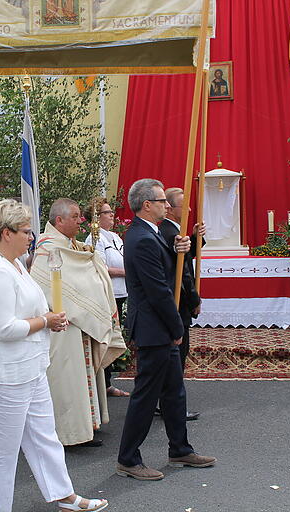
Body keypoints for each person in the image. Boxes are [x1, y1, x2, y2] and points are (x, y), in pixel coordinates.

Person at [0, 199, 108, 512]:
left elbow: (27, 307)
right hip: (6, 370)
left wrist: (47, 316)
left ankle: (64, 495)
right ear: (6, 233)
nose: (31, 236)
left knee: (44, 435)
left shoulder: (16, 263)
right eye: (25, 231)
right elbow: (5, 328)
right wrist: (46, 321)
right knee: (0, 447)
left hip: (29, 366)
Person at [116, 179, 216, 481]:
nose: (167, 205)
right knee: (146, 396)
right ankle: (128, 459)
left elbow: (168, 267)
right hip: (154, 328)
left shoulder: (153, 233)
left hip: (160, 326)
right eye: (162, 201)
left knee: (174, 391)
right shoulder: (141, 238)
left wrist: (179, 249)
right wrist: (177, 326)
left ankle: (180, 448)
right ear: (147, 205)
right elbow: (158, 289)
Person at [30, 198, 125, 447]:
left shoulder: (71, 245)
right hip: (63, 324)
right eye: (74, 216)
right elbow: (48, 284)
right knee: (67, 379)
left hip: (78, 322)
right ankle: (69, 433)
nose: (80, 220)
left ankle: (88, 425)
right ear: (59, 220)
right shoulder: (48, 249)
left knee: (83, 377)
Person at [157, 187, 206, 421]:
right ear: (170, 208)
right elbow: (183, 272)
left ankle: (164, 401)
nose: (188, 209)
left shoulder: (173, 230)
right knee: (177, 355)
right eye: (183, 205)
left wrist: (196, 238)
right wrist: (194, 299)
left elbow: (187, 258)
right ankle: (172, 405)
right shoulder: (169, 232)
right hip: (177, 303)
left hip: (176, 302)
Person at [84, 198, 129, 398]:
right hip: (106, 293)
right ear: (96, 218)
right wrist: (126, 272)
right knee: (106, 336)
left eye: (111, 212)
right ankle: (105, 382)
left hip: (121, 292)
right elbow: (100, 267)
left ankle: (109, 378)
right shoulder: (94, 239)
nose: (112, 215)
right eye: (107, 212)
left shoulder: (114, 237)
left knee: (115, 334)